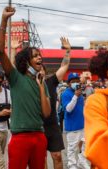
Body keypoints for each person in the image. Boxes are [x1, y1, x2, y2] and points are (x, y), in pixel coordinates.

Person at [0, 6, 51, 169]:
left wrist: (41, 86)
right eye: (35, 56)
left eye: (39, 55)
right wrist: (4, 20)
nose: (39, 57)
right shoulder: (15, 77)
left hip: (39, 136)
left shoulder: (41, 82)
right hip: (20, 138)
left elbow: (46, 113)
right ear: (26, 61)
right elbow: (0, 51)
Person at [43, 37, 71, 169]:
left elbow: (64, 66)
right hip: (37, 126)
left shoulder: (51, 81)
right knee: (41, 159)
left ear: (45, 73)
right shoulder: (29, 84)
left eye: (42, 70)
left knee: (57, 156)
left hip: (52, 125)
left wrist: (67, 51)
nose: (39, 72)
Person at [61, 72, 85, 169]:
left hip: (83, 126)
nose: (76, 82)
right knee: (71, 151)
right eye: (73, 81)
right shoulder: (65, 94)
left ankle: (81, 165)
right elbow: (68, 109)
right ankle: (72, 166)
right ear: (69, 83)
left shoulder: (80, 93)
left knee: (84, 149)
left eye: (77, 80)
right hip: (72, 128)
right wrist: (75, 96)